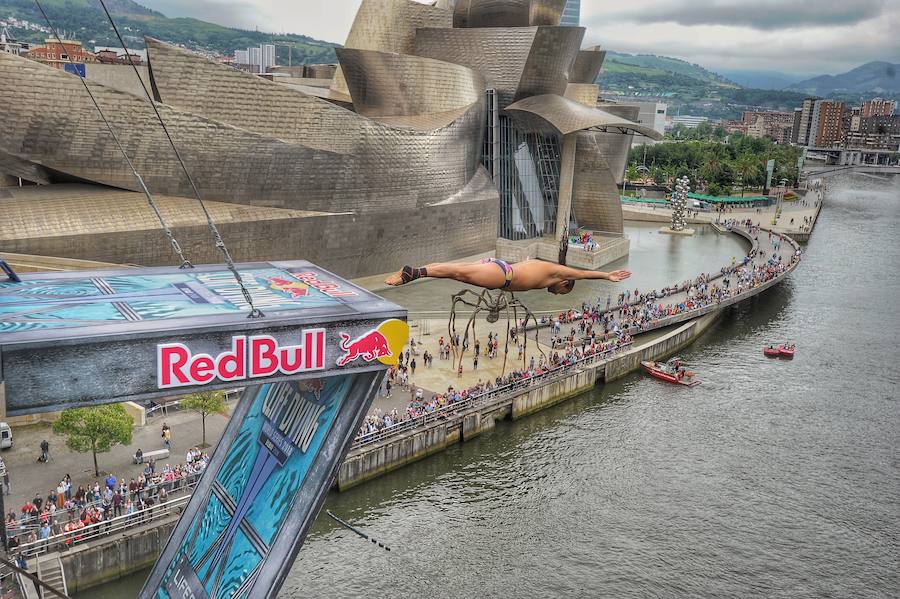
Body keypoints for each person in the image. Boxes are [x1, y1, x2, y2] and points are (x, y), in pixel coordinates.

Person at [386, 259, 631, 295]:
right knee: (457, 272)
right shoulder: (558, 273)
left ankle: (413, 271)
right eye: (562, 293)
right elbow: (583, 274)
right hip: (502, 276)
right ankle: (412, 274)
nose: (556, 294)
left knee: (456, 272)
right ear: (565, 283)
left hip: (500, 269)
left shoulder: (548, 271)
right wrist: (606, 275)